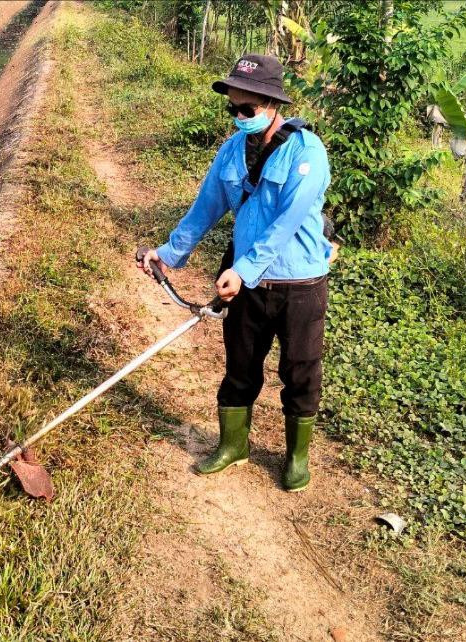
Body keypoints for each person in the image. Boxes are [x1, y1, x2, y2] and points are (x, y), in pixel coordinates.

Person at [137, 54, 333, 492]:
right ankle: (233, 446)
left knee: (300, 371)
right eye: (234, 109)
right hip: (247, 286)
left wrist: (241, 270)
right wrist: (169, 253)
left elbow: (284, 225)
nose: (239, 117)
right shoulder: (230, 152)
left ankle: (297, 457)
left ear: (271, 103)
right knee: (240, 366)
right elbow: (204, 209)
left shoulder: (308, 154)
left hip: (299, 284)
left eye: (248, 110)